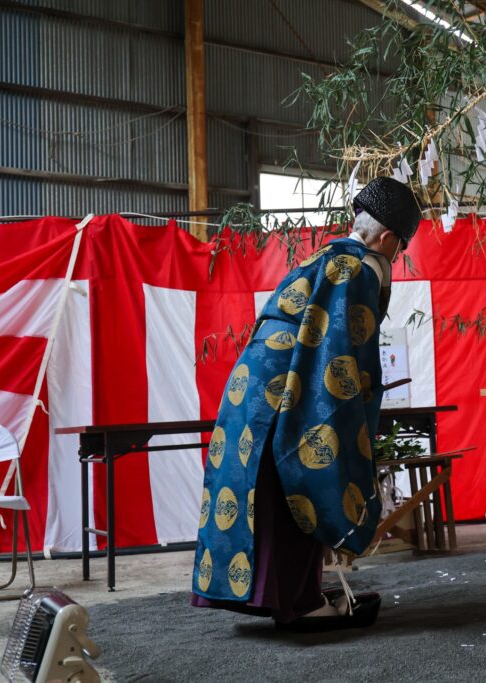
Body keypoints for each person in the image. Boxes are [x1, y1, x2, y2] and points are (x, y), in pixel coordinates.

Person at [191, 177, 420, 629]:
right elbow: (338, 351)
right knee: (306, 478)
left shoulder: (325, 254)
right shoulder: (361, 268)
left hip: (251, 389)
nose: (398, 255)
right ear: (389, 238)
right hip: (289, 392)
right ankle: (302, 603)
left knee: (263, 492)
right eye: (402, 246)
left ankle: (274, 596)